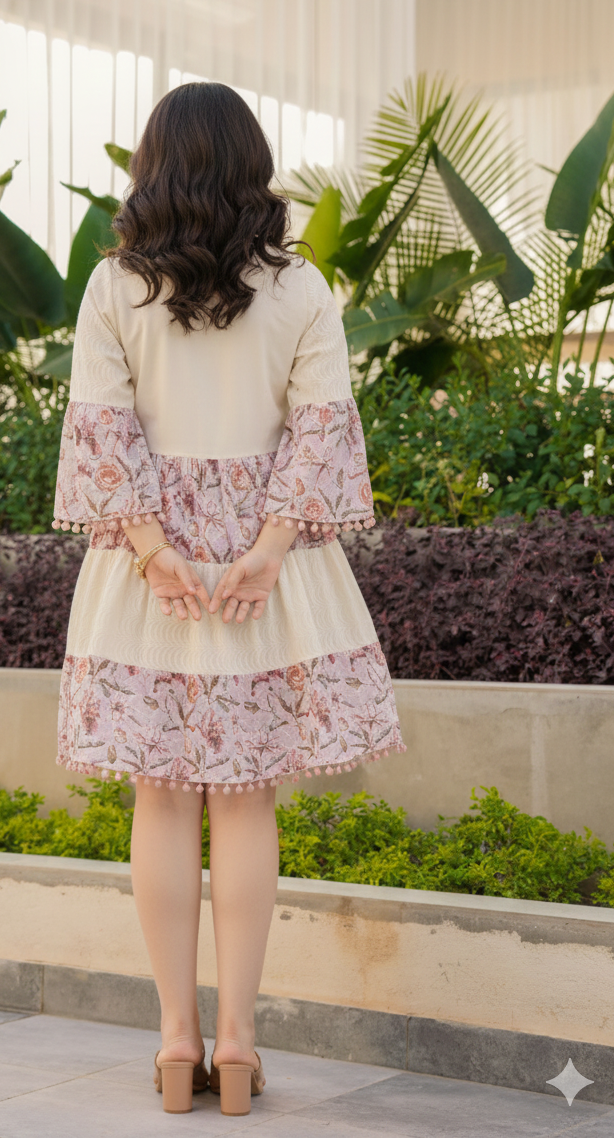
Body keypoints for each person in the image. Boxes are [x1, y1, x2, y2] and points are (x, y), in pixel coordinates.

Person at [51, 82, 405, 1117]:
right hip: (271, 567)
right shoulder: (302, 289)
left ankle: (175, 1043)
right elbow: (320, 430)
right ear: (252, 166)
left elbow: (101, 430)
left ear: (152, 167)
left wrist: (156, 549)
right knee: (245, 795)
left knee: (161, 794)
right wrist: (268, 547)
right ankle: (240, 1045)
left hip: (143, 569)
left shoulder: (117, 286)